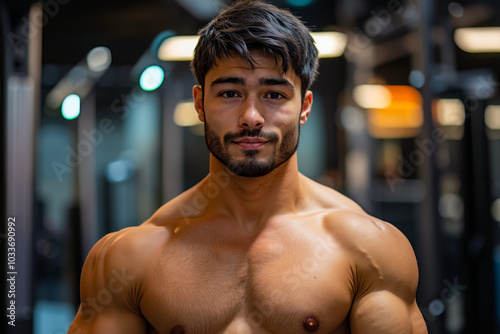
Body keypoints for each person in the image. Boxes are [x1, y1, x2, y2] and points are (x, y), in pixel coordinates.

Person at [69, 0, 428, 333]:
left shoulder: (368, 249)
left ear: (304, 106)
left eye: (274, 94)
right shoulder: (131, 257)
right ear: (199, 103)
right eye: (229, 93)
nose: (251, 117)